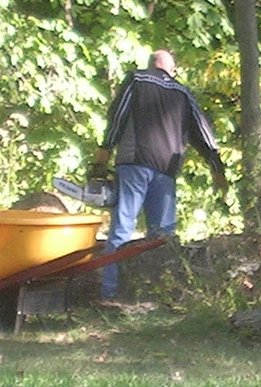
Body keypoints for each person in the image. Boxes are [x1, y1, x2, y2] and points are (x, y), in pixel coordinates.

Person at [91, 49, 227, 301]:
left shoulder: (136, 79)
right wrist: (217, 169)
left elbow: (118, 117)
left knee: (122, 229)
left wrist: (103, 154)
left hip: (134, 163)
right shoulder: (182, 92)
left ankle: (110, 293)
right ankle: (161, 293)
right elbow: (204, 133)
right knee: (163, 236)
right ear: (171, 69)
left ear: (151, 64)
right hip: (165, 172)